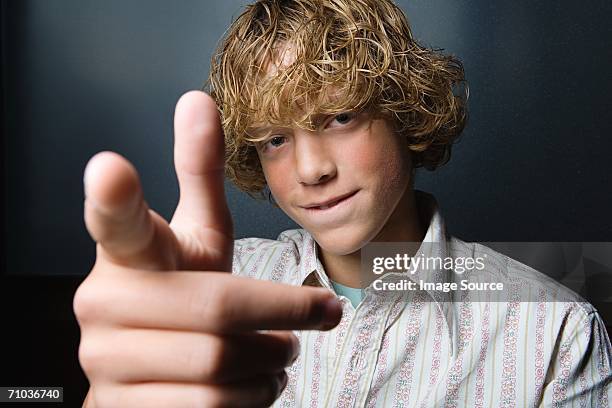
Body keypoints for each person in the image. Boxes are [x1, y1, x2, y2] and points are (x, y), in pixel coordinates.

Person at [74, 0, 612, 406]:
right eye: (275, 139)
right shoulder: (209, 291)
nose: (312, 170)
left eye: (339, 117)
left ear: (405, 110)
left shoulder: (555, 334)